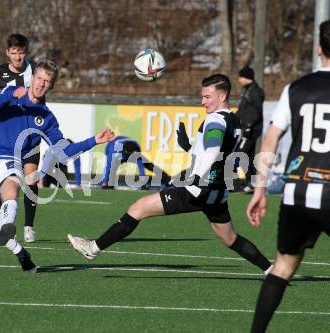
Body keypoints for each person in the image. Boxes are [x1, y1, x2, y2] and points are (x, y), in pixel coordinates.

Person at [67, 74, 272, 277]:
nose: (203, 102)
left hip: (198, 190)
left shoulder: (215, 121)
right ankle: (271, 270)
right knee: (230, 239)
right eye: (202, 96)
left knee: (137, 209)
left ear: (222, 95)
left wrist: (190, 177)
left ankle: (92, 248)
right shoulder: (234, 120)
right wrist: (189, 147)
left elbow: (211, 152)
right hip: (217, 192)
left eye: (207, 97)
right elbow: (219, 154)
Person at [0, 59, 114, 272]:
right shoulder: (12, 92)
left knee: (10, 188)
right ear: (32, 78)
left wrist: (93, 140)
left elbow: (63, 151)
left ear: (51, 86)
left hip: (11, 161)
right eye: (39, 78)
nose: (41, 84)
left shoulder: (46, 118)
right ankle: (20, 251)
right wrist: (10, 94)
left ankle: (8, 224)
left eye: (47, 81)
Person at [246, 20, 330, 333]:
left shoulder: (295, 88)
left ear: (319, 48)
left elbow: (271, 139)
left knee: (282, 266)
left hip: (297, 192)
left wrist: (259, 189)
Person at [0, 33, 39, 243]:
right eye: (14, 53)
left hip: (30, 134)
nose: (17, 57)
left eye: (21, 53)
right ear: (8, 52)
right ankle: (5, 222)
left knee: (31, 178)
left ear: (26, 52)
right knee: (5, 180)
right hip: (5, 137)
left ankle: (29, 226)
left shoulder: (34, 71)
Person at [100, 136, 172, 189]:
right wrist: (105, 181)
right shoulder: (114, 149)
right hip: (115, 153)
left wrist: (143, 181)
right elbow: (108, 165)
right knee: (112, 167)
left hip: (125, 149)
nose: (132, 156)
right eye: (130, 154)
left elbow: (140, 164)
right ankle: (109, 183)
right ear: (125, 151)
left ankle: (168, 180)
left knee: (148, 165)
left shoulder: (136, 146)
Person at [236, 66, 265, 193]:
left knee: (238, 154)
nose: (239, 80)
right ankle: (253, 183)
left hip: (250, 130)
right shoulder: (248, 91)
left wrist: (248, 126)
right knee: (247, 156)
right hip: (247, 129)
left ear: (247, 77)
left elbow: (256, 111)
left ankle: (233, 183)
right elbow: (242, 110)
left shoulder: (255, 92)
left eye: (241, 77)